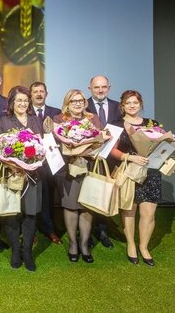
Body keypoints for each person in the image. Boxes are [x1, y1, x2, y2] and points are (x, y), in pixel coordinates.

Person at [110, 90, 175, 266]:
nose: (132, 106)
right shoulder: (116, 125)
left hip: (151, 173)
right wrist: (130, 157)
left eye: (135, 102)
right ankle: (131, 244)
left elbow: (163, 148)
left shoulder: (152, 124)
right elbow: (112, 150)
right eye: (128, 103)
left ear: (140, 104)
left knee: (148, 214)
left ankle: (144, 247)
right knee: (129, 211)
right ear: (122, 105)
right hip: (130, 172)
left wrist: (170, 160)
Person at [0, 86, 43, 271]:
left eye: (25, 100)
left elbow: (43, 147)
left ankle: (27, 251)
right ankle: (15, 250)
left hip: (33, 175)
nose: (22, 103)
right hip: (11, 175)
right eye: (18, 100)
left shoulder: (35, 120)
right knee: (12, 213)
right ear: (12, 103)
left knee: (30, 213)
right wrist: (12, 164)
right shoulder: (4, 121)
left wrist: (33, 161)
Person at [52, 89, 101, 264]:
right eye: (74, 101)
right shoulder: (59, 120)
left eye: (81, 100)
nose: (78, 103)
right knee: (71, 206)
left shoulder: (93, 119)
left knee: (86, 206)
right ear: (67, 103)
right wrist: (73, 149)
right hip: (67, 169)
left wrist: (89, 150)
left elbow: (100, 140)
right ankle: (73, 244)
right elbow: (57, 144)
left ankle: (84, 244)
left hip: (89, 167)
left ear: (85, 102)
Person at [86, 75, 121, 249]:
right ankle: (87, 231)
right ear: (90, 88)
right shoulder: (82, 105)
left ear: (109, 88)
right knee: (89, 194)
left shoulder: (118, 107)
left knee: (105, 194)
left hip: (111, 158)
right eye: (96, 87)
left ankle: (102, 230)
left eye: (104, 87)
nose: (100, 90)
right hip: (88, 158)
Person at [30, 81, 62, 244]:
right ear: (30, 95)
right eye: (35, 91)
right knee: (31, 197)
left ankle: (49, 228)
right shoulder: (25, 112)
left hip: (51, 162)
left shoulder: (56, 113)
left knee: (48, 196)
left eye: (41, 91)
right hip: (30, 162)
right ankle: (31, 229)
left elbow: (62, 135)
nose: (39, 94)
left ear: (46, 94)